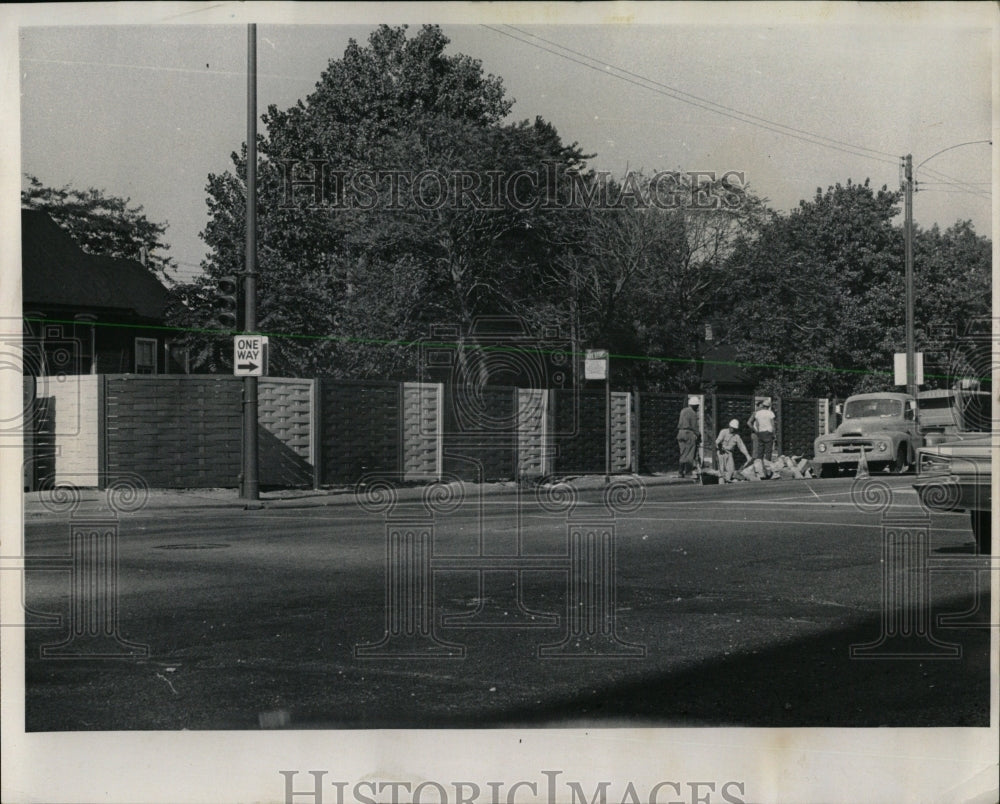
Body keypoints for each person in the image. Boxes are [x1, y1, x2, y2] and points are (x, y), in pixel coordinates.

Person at [749, 398, 777, 478]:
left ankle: (759, 470)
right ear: (768, 406)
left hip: (760, 433)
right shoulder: (770, 413)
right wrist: (774, 434)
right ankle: (768, 471)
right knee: (768, 451)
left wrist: (758, 432)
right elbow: (773, 425)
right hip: (768, 433)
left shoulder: (758, 413)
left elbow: (757, 424)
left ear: (763, 406)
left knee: (760, 452)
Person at [676, 395, 701, 478]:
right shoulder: (693, 413)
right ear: (695, 405)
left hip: (680, 433)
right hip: (688, 433)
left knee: (683, 453)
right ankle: (688, 472)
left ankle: (680, 472)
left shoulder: (683, 411)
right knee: (690, 453)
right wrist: (698, 435)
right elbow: (694, 426)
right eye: (697, 405)